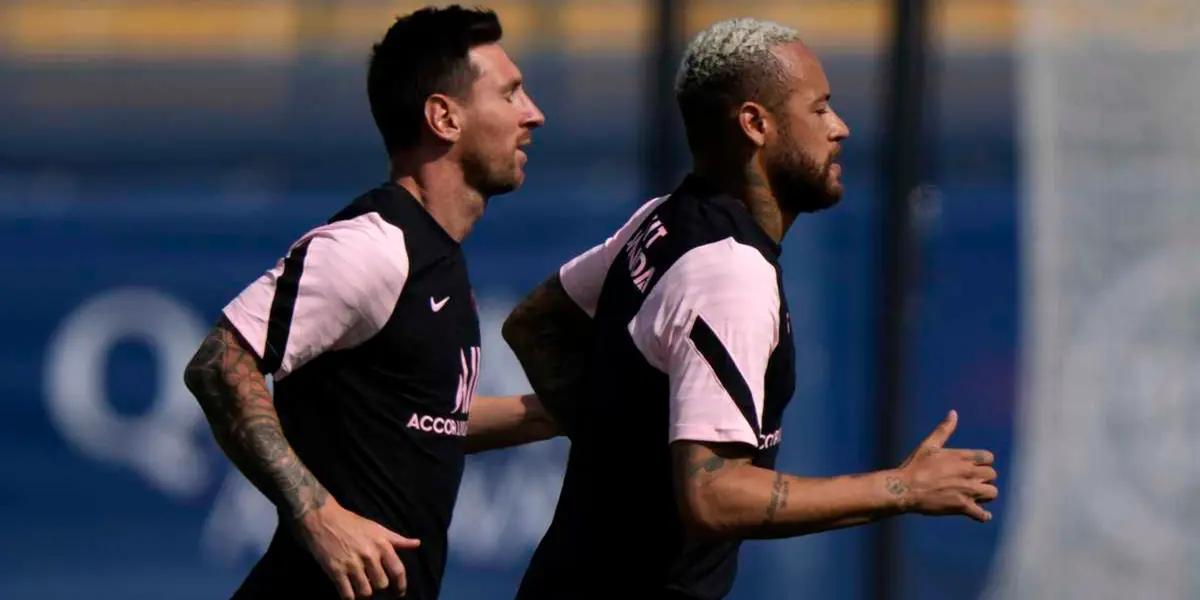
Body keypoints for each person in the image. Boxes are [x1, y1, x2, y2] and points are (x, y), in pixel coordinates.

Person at [501, 18, 999, 599]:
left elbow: (535, 324)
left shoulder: (664, 218)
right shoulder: (729, 272)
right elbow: (714, 497)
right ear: (756, 124)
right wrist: (903, 489)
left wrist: (623, 436)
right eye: (819, 109)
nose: (840, 128)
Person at [182, 6, 554, 600]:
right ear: (444, 117)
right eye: (510, 94)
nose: (533, 114)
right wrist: (318, 516)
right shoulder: (370, 248)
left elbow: (426, 420)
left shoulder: (436, 256)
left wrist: (564, 411)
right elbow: (218, 364)